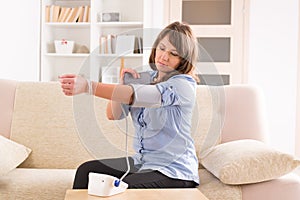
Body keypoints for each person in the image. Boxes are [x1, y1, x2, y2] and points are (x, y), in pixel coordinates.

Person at [59, 21, 200, 189]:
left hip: (173, 170)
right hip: (142, 163)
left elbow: (133, 95)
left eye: (174, 53)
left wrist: (88, 86)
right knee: (86, 171)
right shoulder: (146, 78)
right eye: (162, 48)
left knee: (126, 187)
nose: (164, 57)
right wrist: (121, 84)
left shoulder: (183, 85)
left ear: (183, 60)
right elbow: (114, 114)